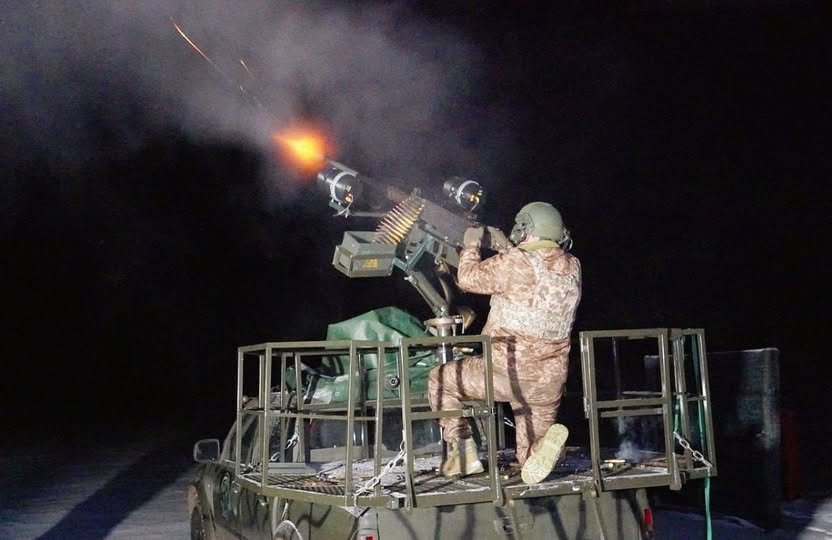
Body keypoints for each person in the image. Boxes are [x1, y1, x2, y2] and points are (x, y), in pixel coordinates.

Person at [427, 202, 582, 484]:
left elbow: (468, 278)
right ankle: (547, 449)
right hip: (548, 381)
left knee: (440, 380)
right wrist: (505, 248)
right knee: (529, 456)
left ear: (525, 228)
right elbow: (531, 276)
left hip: (506, 372)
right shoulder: (572, 267)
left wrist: (471, 244)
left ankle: (463, 451)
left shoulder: (516, 262)